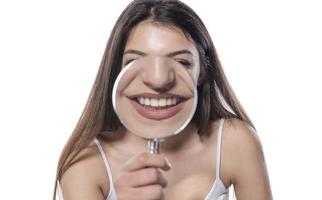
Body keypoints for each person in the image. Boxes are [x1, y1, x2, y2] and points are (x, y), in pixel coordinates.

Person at [54, 0, 273, 199]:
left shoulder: (234, 141)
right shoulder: (85, 164)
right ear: (116, 72)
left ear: (202, 71)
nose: (158, 81)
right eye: (134, 61)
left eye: (182, 62)